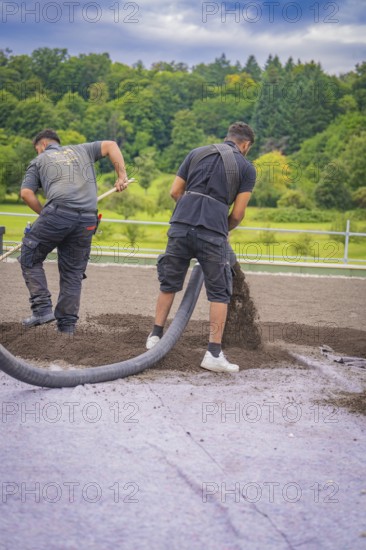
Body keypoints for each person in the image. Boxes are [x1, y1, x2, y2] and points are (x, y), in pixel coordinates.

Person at [146, 121, 256, 373]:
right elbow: (238, 214)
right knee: (219, 293)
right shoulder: (246, 168)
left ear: (228, 137)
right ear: (246, 145)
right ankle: (213, 354)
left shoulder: (196, 153)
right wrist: (219, 227)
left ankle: (154, 336)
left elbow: (175, 191)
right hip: (213, 232)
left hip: (181, 224)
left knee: (169, 282)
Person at [19, 128, 129, 334]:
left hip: (57, 212)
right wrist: (122, 176)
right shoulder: (82, 150)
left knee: (29, 256)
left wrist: (45, 214)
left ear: (42, 145)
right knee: (72, 273)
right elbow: (111, 145)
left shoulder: (40, 160)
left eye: (37, 150)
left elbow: (26, 193)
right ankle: (67, 327)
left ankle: (42, 309)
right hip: (88, 218)